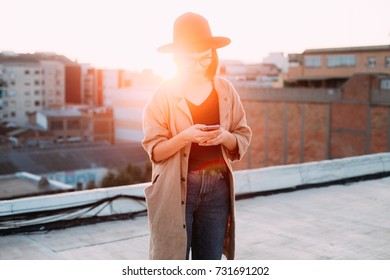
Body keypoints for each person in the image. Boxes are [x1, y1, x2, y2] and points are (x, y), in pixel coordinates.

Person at [142, 12, 252, 260]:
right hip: (177, 189)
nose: (200, 66)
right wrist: (185, 137)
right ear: (178, 59)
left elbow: (242, 136)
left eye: (205, 59)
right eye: (191, 60)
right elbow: (156, 152)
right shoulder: (164, 93)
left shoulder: (225, 89)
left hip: (217, 190)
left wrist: (225, 137)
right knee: (171, 260)